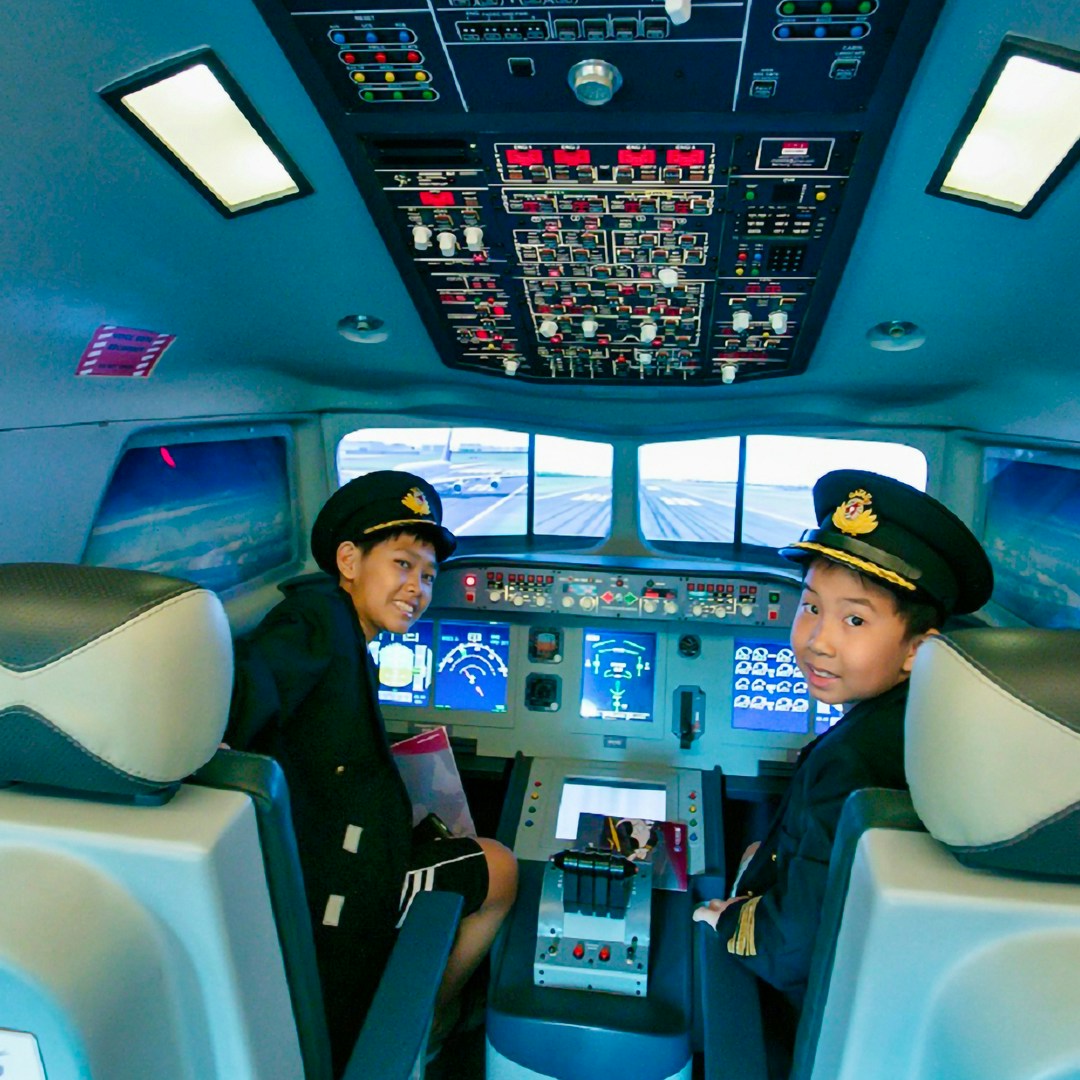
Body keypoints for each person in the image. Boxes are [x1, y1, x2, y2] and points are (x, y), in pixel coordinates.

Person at [226, 470, 518, 1072]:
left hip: (351, 849)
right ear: (349, 560)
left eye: (429, 575)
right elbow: (243, 690)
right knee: (503, 870)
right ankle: (430, 1020)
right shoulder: (316, 621)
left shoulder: (341, 626)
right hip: (337, 884)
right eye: (404, 564)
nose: (417, 587)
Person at [693, 470, 993, 1037]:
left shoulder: (853, 762)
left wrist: (729, 920)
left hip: (812, 1013)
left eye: (854, 619)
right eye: (811, 607)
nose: (818, 640)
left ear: (916, 651)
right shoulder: (910, 722)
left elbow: (790, 947)